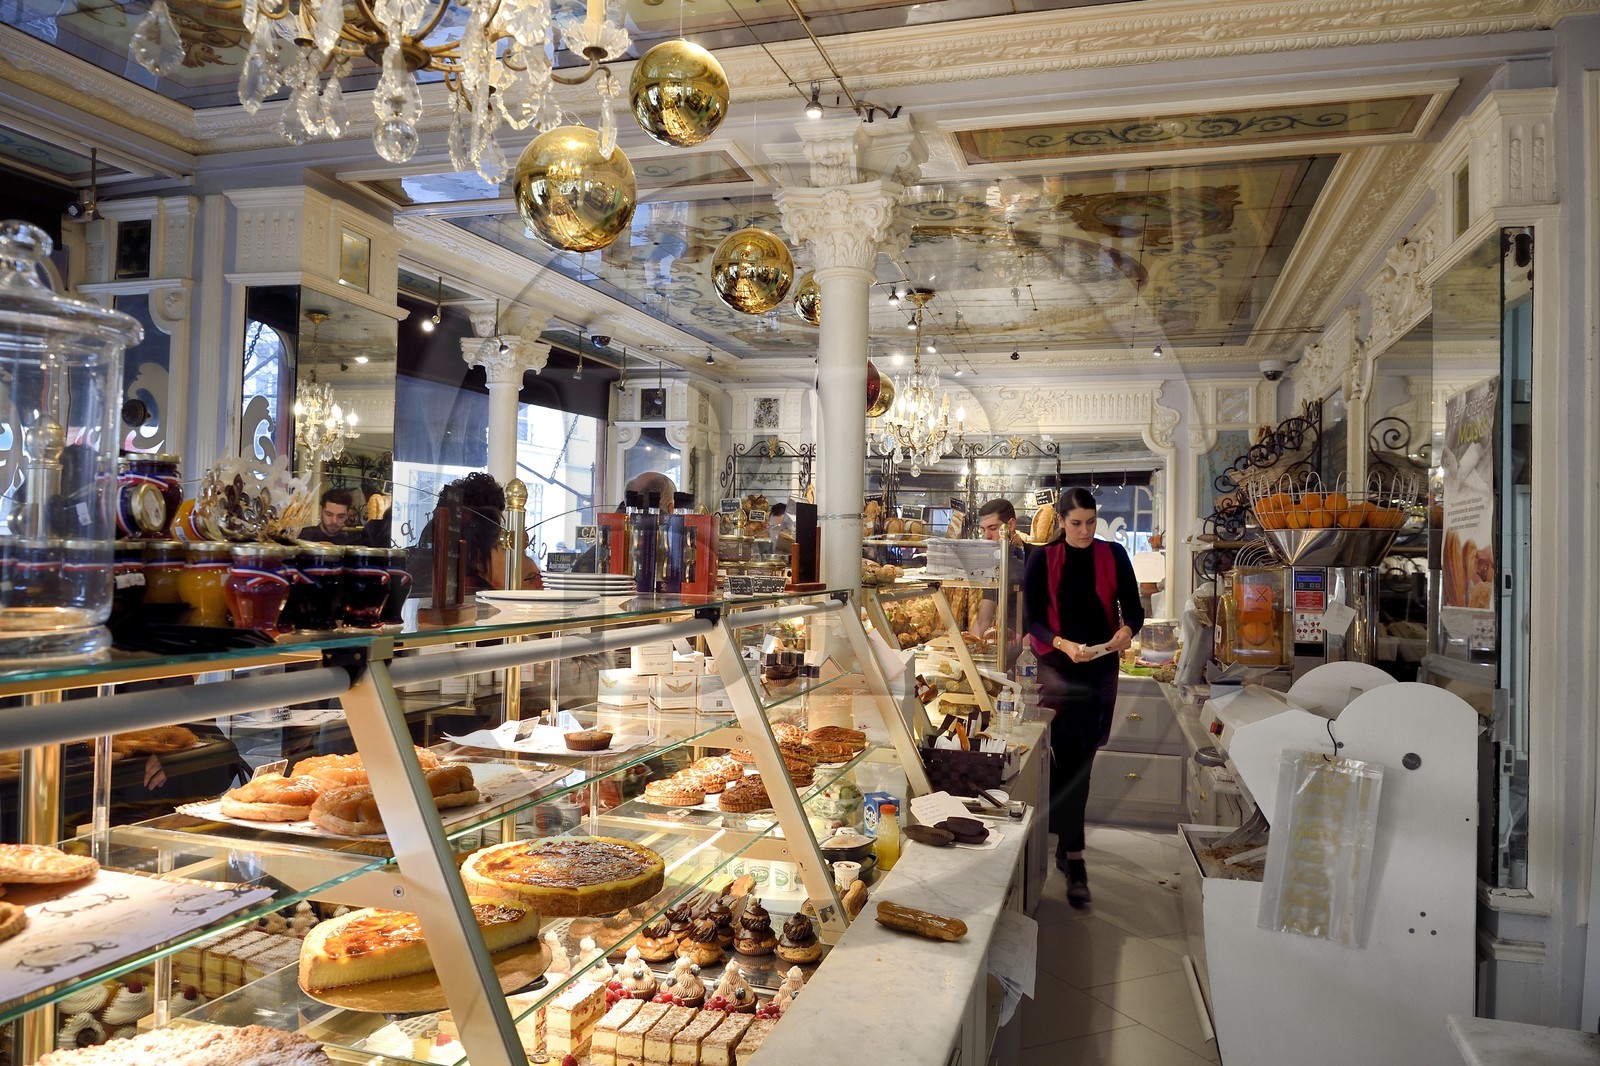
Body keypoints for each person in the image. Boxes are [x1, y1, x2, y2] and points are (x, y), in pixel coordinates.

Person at [1021, 486, 1143, 907]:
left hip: (1100, 668)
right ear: (1061, 520)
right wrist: (1060, 642)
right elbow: (1032, 621)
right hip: (1056, 668)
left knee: (1082, 761)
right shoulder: (1042, 558)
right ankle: (1070, 852)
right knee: (1058, 762)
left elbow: (1134, 610)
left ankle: (1069, 850)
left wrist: (1127, 632)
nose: (1085, 531)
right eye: (1076, 523)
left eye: (1091, 522)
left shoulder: (1114, 555)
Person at [970, 498, 1029, 639]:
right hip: (1009, 646)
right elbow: (984, 619)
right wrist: (966, 650)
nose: (987, 536)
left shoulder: (1036, 557)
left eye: (993, 528)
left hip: (1039, 649)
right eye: (983, 530)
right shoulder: (994, 566)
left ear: (1011, 525)